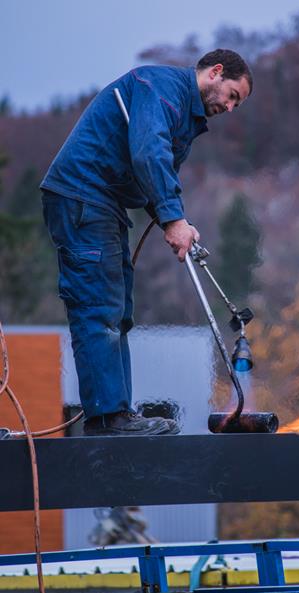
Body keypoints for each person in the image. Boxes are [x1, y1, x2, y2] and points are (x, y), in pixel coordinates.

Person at [40, 49, 253, 436]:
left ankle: (116, 414)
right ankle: (109, 419)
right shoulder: (160, 88)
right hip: (82, 197)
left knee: (118, 311)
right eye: (233, 95)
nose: (230, 107)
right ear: (216, 73)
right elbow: (148, 151)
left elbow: (157, 170)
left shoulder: (183, 112)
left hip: (103, 203)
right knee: (99, 306)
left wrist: (176, 219)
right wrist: (172, 218)